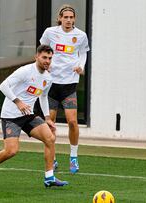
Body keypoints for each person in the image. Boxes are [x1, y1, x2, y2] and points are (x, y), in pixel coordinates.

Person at [0, 45, 68, 188]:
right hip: (11, 115)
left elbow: (43, 97)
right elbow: (3, 86)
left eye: (50, 58)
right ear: (36, 57)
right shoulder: (25, 71)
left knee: (50, 137)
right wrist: (18, 102)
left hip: (28, 115)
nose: (47, 61)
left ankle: (49, 177)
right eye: (44, 57)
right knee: (11, 151)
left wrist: (47, 118)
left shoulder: (48, 78)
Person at [39, 4, 90, 174]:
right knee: (50, 124)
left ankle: (73, 157)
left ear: (74, 19)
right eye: (65, 17)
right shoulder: (50, 32)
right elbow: (41, 50)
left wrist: (80, 65)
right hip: (51, 84)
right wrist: (45, 65)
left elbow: (83, 53)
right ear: (60, 18)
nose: (68, 20)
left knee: (72, 121)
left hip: (69, 83)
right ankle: (52, 159)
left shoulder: (81, 35)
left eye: (71, 17)